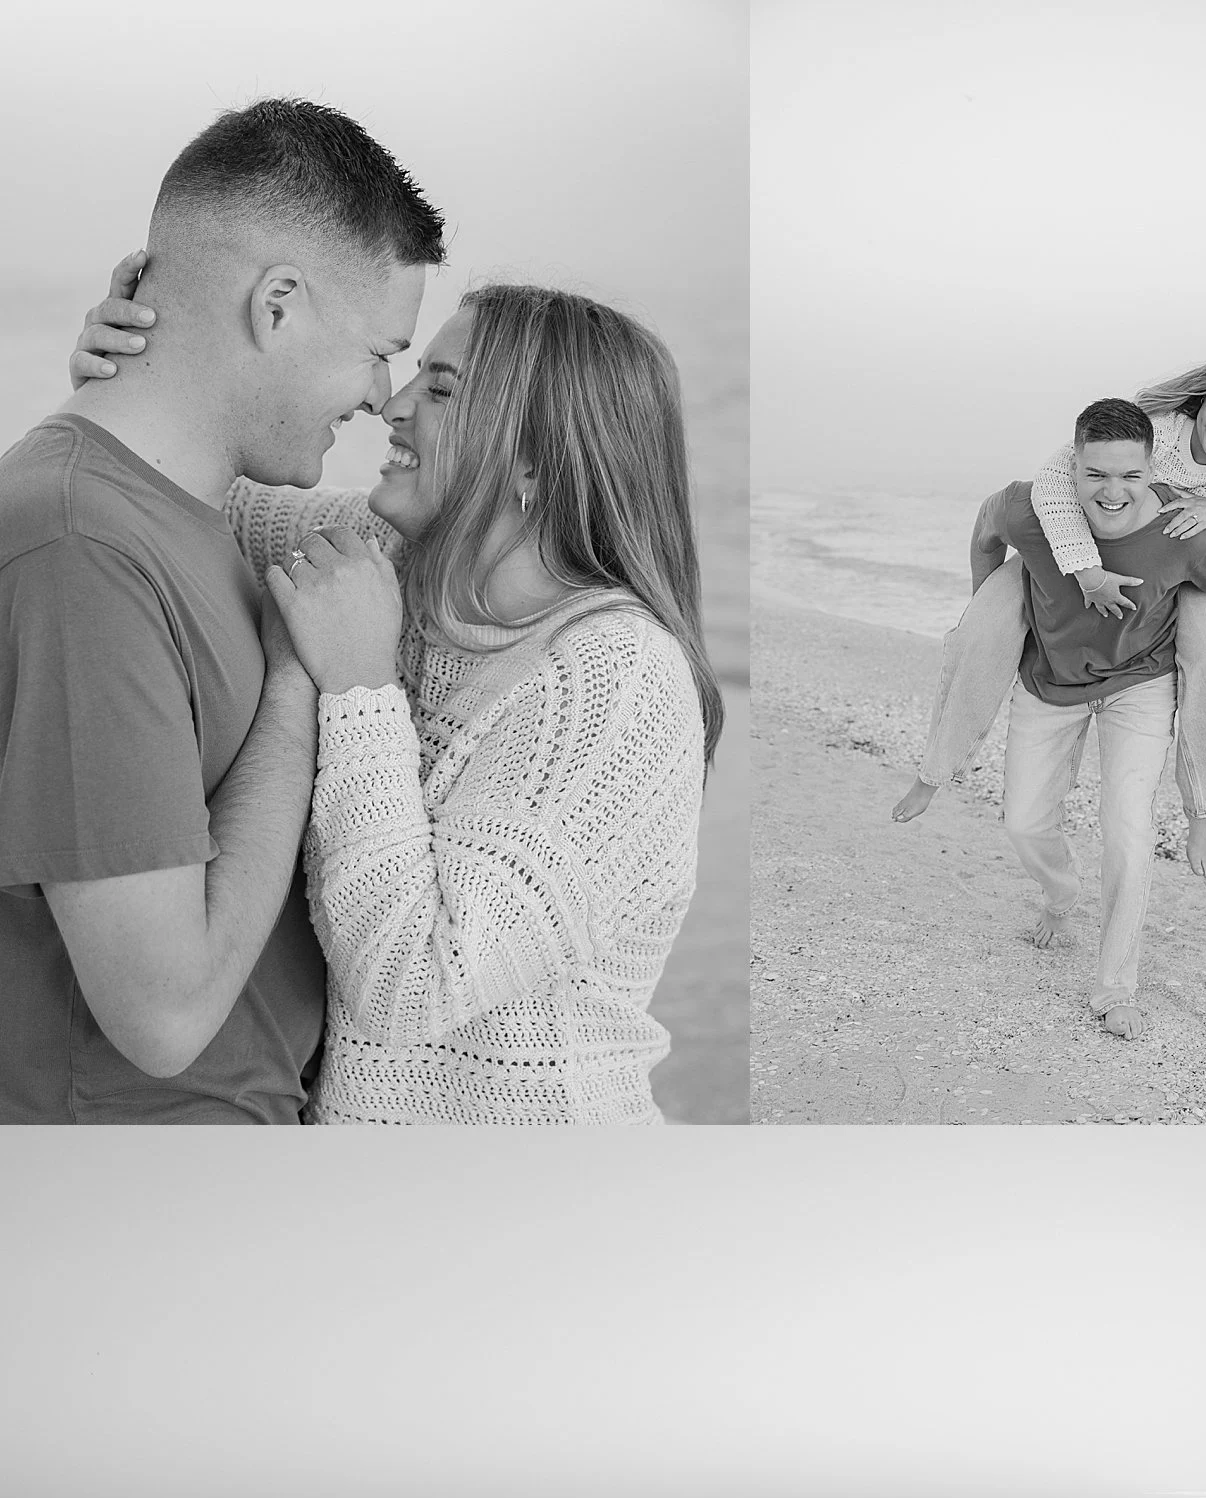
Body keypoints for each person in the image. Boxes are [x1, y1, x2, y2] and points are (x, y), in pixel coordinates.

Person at [74, 266, 719, 1125]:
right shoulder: (391, 557)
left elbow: (413, 980)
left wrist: (360, 685)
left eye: (441, 389)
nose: (393, 403)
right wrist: (126, 385)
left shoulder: (617, 680)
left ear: (533, 458)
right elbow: (187, 493)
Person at [0, 99, 443, 1123]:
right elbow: (164, 1014)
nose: (383, 395)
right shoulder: (80, 551)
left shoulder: (197, 518)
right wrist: (299, 673)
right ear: (277, 305)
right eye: (380, 348)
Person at [893, 349, 1206, 880]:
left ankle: (1202, 811)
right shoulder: (1157, 426)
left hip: (1197, 566)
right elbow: (1057, 480)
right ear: (1203, 399)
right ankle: (935, 769)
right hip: (1095, 551)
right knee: (977, 630)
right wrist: (1083, 568)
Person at [974, 399, 1206, 1039]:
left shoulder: (1183, 532)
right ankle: (1061, 893)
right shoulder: (1029, 509)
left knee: (1128, 827)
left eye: (1129, 476)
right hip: (1050, 680)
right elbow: (985, 531)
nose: (1113, 492)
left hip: (1141, 685)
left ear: (1152, 468)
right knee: (1025, 821)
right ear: (1074, 465)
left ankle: (1115, 987)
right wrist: (983, 614)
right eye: (1097, 475)